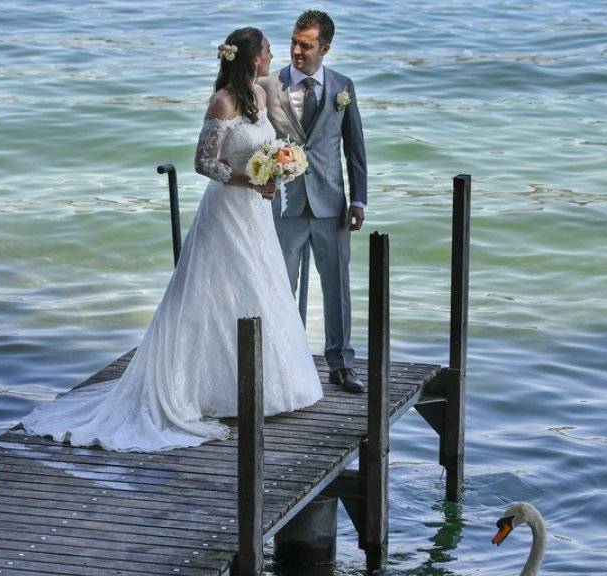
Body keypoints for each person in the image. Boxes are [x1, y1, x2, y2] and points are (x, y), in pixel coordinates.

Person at [20, 27, 323, 452]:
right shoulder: (223, 101)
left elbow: (268, 141)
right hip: (228, 209)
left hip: (255, 210)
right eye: (269, 50)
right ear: (253, 58)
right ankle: (204, 389)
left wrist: (274, 171)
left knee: (258, 286)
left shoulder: (257, 94)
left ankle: (267, 382)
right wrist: (250, 179)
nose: (274, 55)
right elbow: (203, 163)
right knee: (213, 290)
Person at [258, 10, 368, 393]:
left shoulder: (343, 86)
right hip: (283, 204)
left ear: (325, 48)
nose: (296, 51)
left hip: (331, 205)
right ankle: (284, 364)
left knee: (337, 287)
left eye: (305, 45)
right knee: (280, 288)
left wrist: (360, 200)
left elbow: (355, 149)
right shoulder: (267, 85)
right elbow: (253, 140)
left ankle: (341, 364)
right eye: (293, 42)